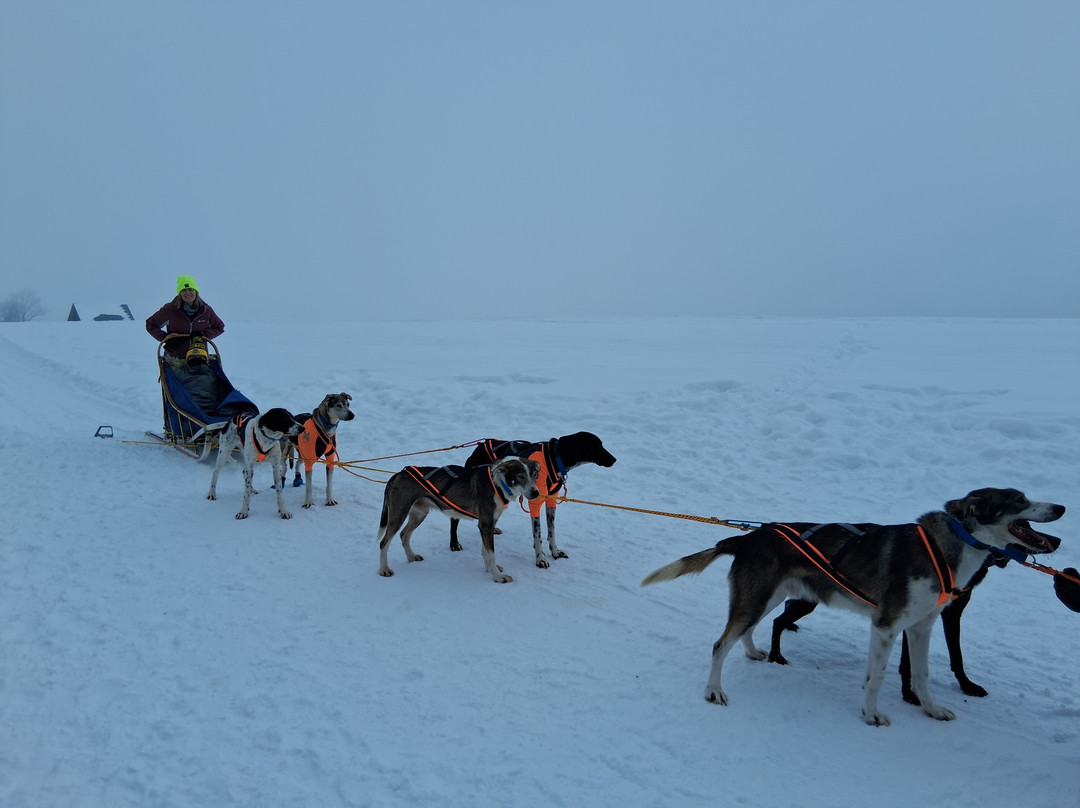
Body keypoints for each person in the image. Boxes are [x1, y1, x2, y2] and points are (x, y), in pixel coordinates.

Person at [145, 275, 225, 369]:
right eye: (184, 290)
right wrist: (166, 338)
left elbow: (219, 327)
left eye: (191, 289)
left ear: (196, 292)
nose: (188, 293)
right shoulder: (169, 309)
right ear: (180, 293)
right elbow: (151, 324)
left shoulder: (206, 310)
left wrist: (202, 335)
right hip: (175, 359)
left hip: (199, 356)